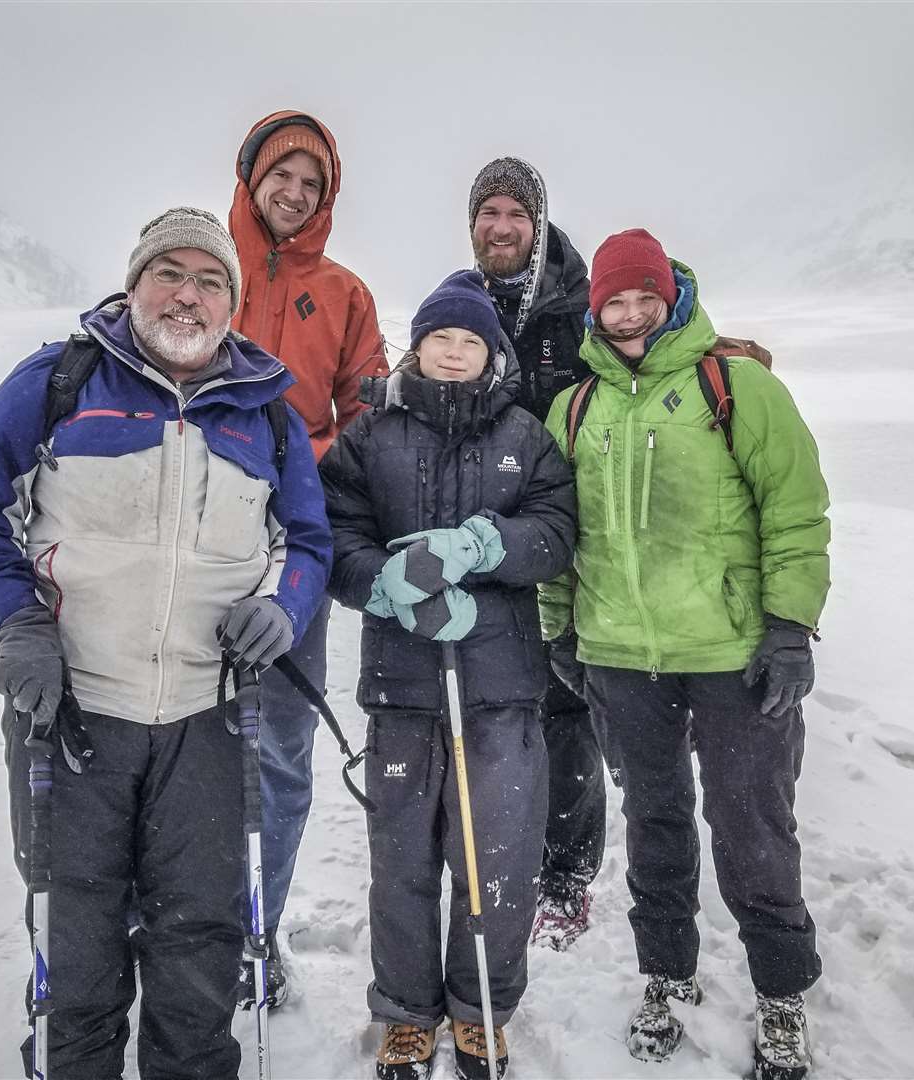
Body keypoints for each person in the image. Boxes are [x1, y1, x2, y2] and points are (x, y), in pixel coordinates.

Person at [0, 207, 332, 1079]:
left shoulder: (267, 415)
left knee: (200, 941)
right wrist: (21, 618)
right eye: (169, 275)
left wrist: (283, 610)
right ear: (135, 282)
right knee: (78, 938)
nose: (188, 296)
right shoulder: (60, 381)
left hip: (208, 717)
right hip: (74, 712)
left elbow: (307, 541)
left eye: (210, 280)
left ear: (233, 300)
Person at [538, 229, 830, 1080]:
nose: (630, 316)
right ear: (595, 309)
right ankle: (665, 976)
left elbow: (795, 509)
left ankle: (779, 992)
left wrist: (787, 626)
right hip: (621, 656)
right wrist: (562, 628)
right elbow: (565, 535)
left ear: (670, 298)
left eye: (644, 299)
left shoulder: (733, 385)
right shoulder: (576, 409)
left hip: (731, 651)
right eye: (614, 303)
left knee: (751, 824)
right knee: (654, 823)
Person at [320, 271, 577, 1080]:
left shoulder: (525, 435)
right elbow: (335, 533)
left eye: (471, 341)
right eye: (442, 339)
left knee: (493, 858)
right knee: (400, 860)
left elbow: (558, 531)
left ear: (492, 354)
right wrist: (383, 588)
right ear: (417, 347)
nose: (456, 353)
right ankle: (404, 1012)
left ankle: (480, 1008)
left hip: (500, 687)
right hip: (402, 685)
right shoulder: (372, 434)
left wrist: (488, 545)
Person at [228, 110, 388, 1007]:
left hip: (295, 550)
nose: (293, 193)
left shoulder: (344, 293)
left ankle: (258, 930)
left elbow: (366, 419)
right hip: (191, 543)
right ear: (250, 175)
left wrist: (319, 485)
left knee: (283, 752)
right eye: (281, 176)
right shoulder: (202, 267)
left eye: (311, 183)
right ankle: (179, 924)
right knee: (178, 749)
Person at [466, 157, 607, 950]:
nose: (500, 227)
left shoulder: (577, 309)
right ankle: (491, 852)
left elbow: (631, 362)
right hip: (484, 540)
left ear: (538, 223)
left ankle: (564, 876)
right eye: (487, 213)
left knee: (566, 709)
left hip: (565, 537)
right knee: (491, 705)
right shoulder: (464, 302)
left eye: (514, 214)